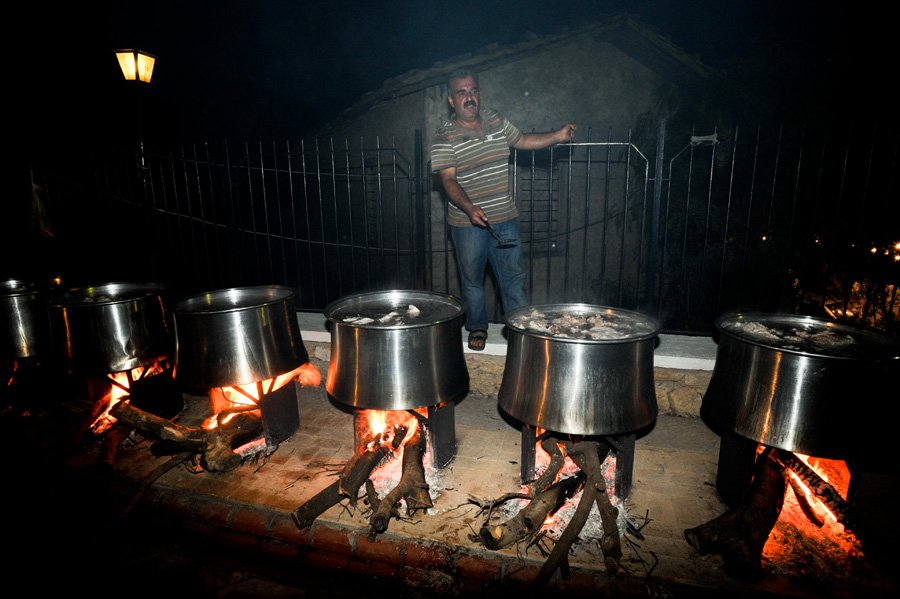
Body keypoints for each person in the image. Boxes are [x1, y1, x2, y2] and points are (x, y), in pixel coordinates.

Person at [430, 69, 576, 351]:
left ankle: (521, 331)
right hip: (467, 224)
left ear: (479, 94)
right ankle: (477, 327)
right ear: (451, 100)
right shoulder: (444, 137)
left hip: (505, 219)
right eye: (462, 92)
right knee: (473, 280)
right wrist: (470, 208)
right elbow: (448, 179)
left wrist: (557, 136)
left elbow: (522, 140)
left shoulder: (496, 120)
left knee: (513, 278)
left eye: (473, 90)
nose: (469, 97)